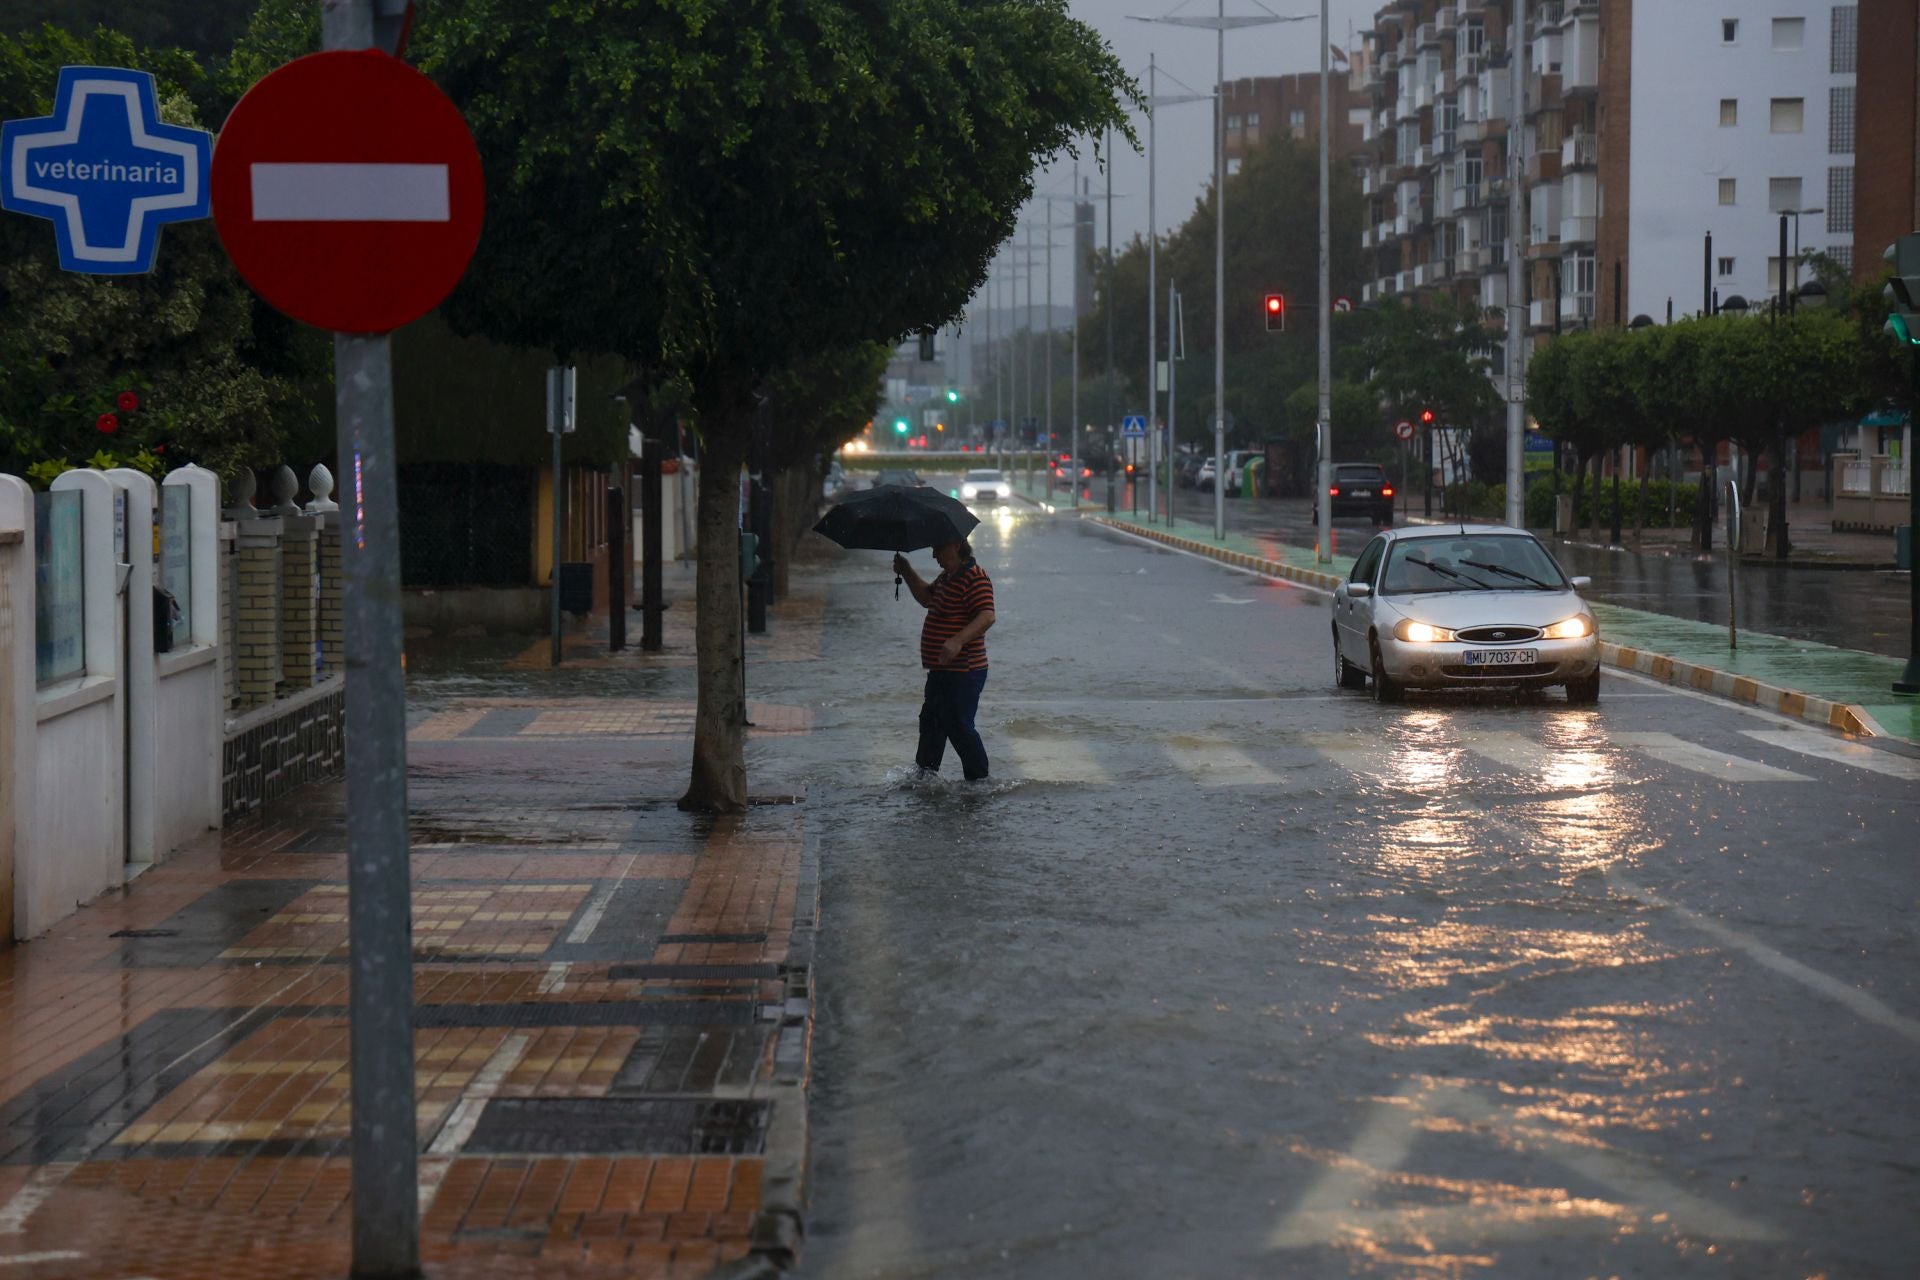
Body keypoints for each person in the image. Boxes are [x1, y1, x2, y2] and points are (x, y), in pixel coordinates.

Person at [892, 539, 996, 780]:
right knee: (931, 721)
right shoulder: (947, 577)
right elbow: (927, 598)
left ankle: (979, 781)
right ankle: (925, 776)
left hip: (964, 670)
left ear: (956, 546)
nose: (934, 555)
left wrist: (958, 640)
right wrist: (906, 571)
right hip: (941, 670)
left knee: (958, 725)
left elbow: (987, 615)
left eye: (938, 548)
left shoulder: (975, 577)